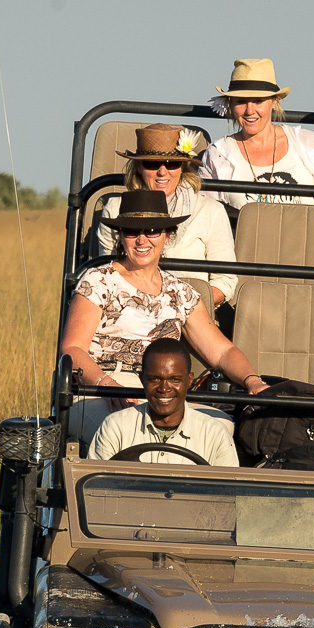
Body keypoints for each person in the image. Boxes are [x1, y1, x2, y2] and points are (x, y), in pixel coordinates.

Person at [61, 189, 268, 445]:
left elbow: (223, 352)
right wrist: (107, 385)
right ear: (121, 237)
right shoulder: (98, 280)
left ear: (167, 236)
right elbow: (72, 348)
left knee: (219, 427)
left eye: (152, 231)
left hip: (164, 388)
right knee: (128, 430)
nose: (142, 240)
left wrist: (253, 380)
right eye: (132, 231)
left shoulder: (180, 292)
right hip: (102, 387)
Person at [95, 124, 237, 309]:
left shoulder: (210, 211)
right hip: (128, 310)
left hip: (192, 312)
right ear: (139, 167)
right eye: (152, 164)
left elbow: (225, 281)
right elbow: (108, 273)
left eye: (172, 163)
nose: (163, 171)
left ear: (183, 167)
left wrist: (184, 310)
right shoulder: (115, 209)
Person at [199, 59, 314, 213]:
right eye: (241, 101)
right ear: (230, 105)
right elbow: (210, 216)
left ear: (274, 102)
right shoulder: (218, 153)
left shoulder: (309, 144)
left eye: (258, 101)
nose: (249, 110)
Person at [89, 339, 240, 466]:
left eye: (175, 380)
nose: (164, 388)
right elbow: (95, 491)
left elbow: (227, 495)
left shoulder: (215, 434)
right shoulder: (115, 427)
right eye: (155, 379)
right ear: (142, 379)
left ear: (190, 381)